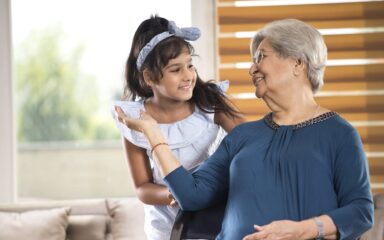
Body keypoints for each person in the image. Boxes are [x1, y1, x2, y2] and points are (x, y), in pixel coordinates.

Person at [115, 18, 374, 240]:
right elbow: (190, 196)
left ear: (298, 63)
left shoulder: (338, 133)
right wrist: (152, 131)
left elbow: (361, 211)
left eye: (261, 57)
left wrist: (303, 229)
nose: (252, 68)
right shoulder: (243, 136)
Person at [112, 15, 245, 240]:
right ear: (150, 77)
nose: (188, 76)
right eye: (175, 70)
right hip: (166, 228)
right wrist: (171, 193)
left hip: (212, 219)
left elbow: (249, 141)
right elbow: (142, 187)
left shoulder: (209, 101)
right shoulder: (136, 119)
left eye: (190, 66)